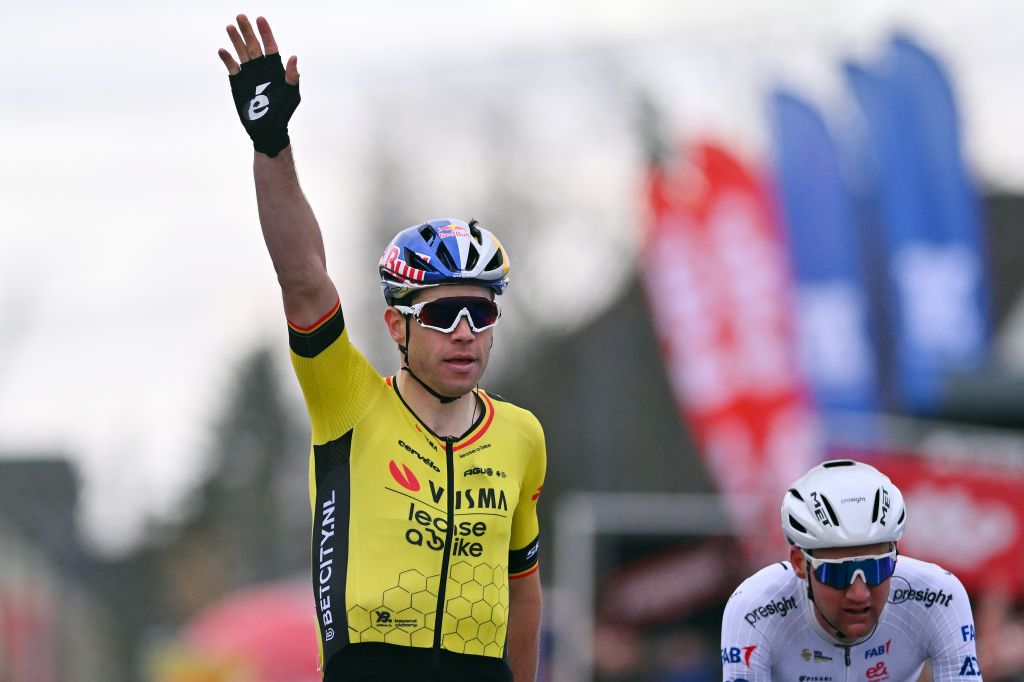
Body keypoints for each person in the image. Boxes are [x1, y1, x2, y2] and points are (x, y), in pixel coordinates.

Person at [216, 15, 546, 682]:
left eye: (480, 313)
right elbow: (304, 279)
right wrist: (272, 144)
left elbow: (524, 594)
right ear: (397, 327)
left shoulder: (522, 435)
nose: (464, 331)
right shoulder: (349, 399)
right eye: (444, 311)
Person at [721, 459, 983, 681]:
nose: (859, 593)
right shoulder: (756, 607)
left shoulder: (938, 595)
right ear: (800, 563)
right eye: (837, 573)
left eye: (877, 569)